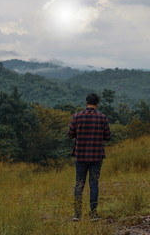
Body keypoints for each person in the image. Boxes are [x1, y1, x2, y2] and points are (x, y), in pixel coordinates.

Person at [68, 93, 112, 221]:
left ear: (86, 103)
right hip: (96, 156)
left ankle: (77, 215)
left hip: (80, 155)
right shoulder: (102, 118)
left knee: (79, 184)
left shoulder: (76, 116)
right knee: (93, 184)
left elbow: (70, 134)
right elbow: (108, 137)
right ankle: (93, 214)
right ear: (97, 104)